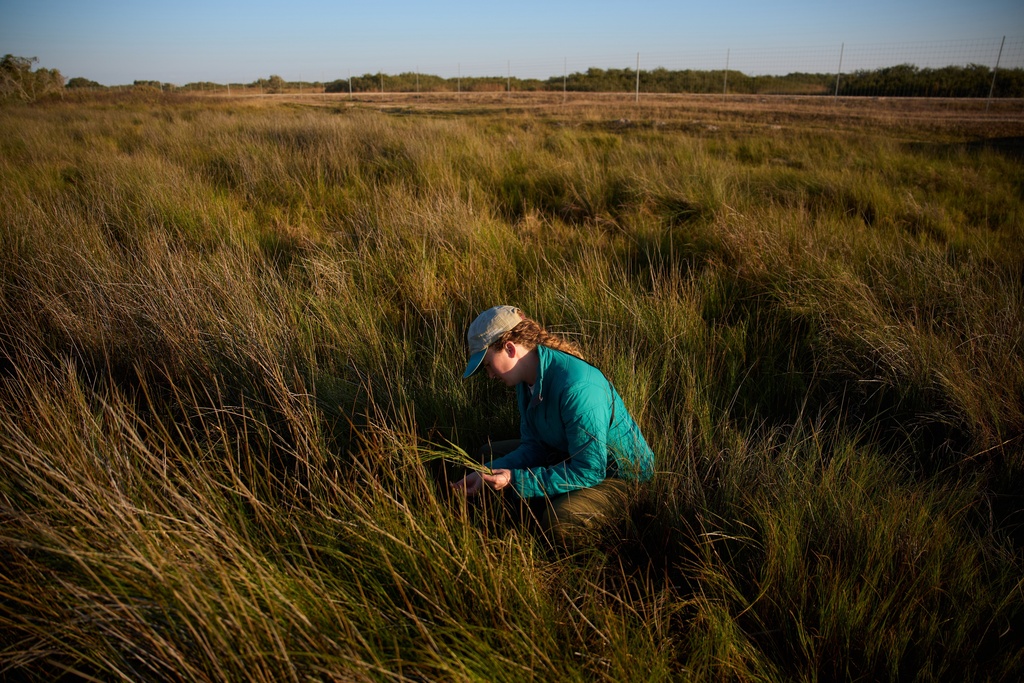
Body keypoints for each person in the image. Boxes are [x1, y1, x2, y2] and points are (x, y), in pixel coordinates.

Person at [452, 305, 655, 545]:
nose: (490, 376)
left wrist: (515, 480)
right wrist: (489, 472)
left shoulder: (578, 387)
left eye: (487, 364)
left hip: (618, 476)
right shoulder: (525, 380)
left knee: (560, 523)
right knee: (487, 456)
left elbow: (590, 469)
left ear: (509, 348)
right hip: (565, 452)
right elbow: (534, 446)